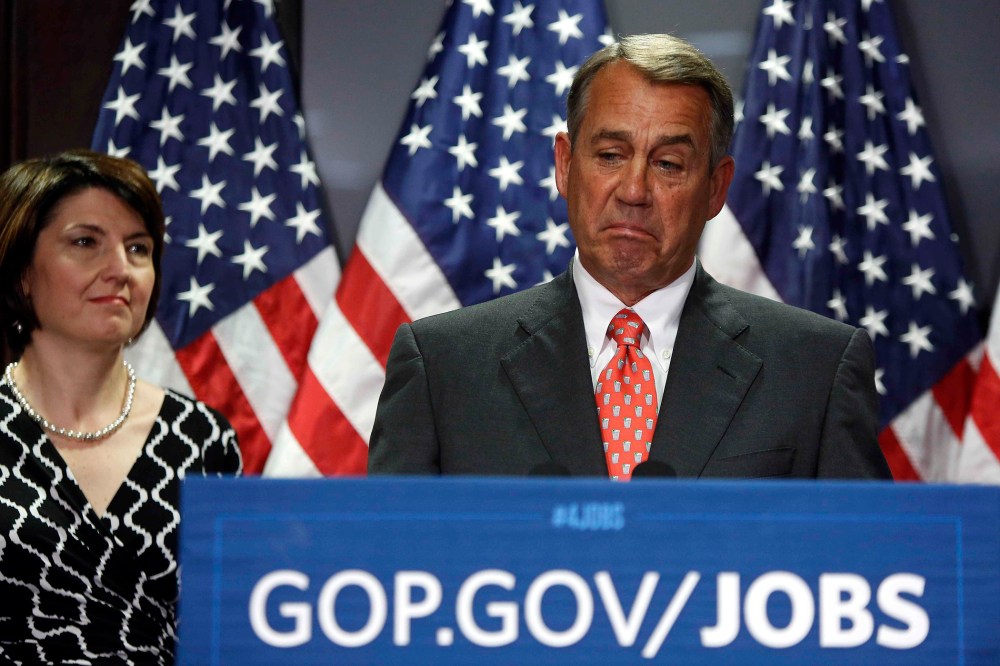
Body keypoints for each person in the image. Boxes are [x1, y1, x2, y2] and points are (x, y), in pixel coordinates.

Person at [368, 34, 891, 481]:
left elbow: (863, 558)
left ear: (716, 187)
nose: (634, 191)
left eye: (668, 164)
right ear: (565, 166)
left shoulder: (816, 371)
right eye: (610, 155)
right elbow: (391, 557)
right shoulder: (443, 369)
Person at [0, 150, 242, 663]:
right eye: (85, 242)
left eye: (138, 248)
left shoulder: (201, 439)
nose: (120, 269)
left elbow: (228, 631)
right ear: (21, 271)